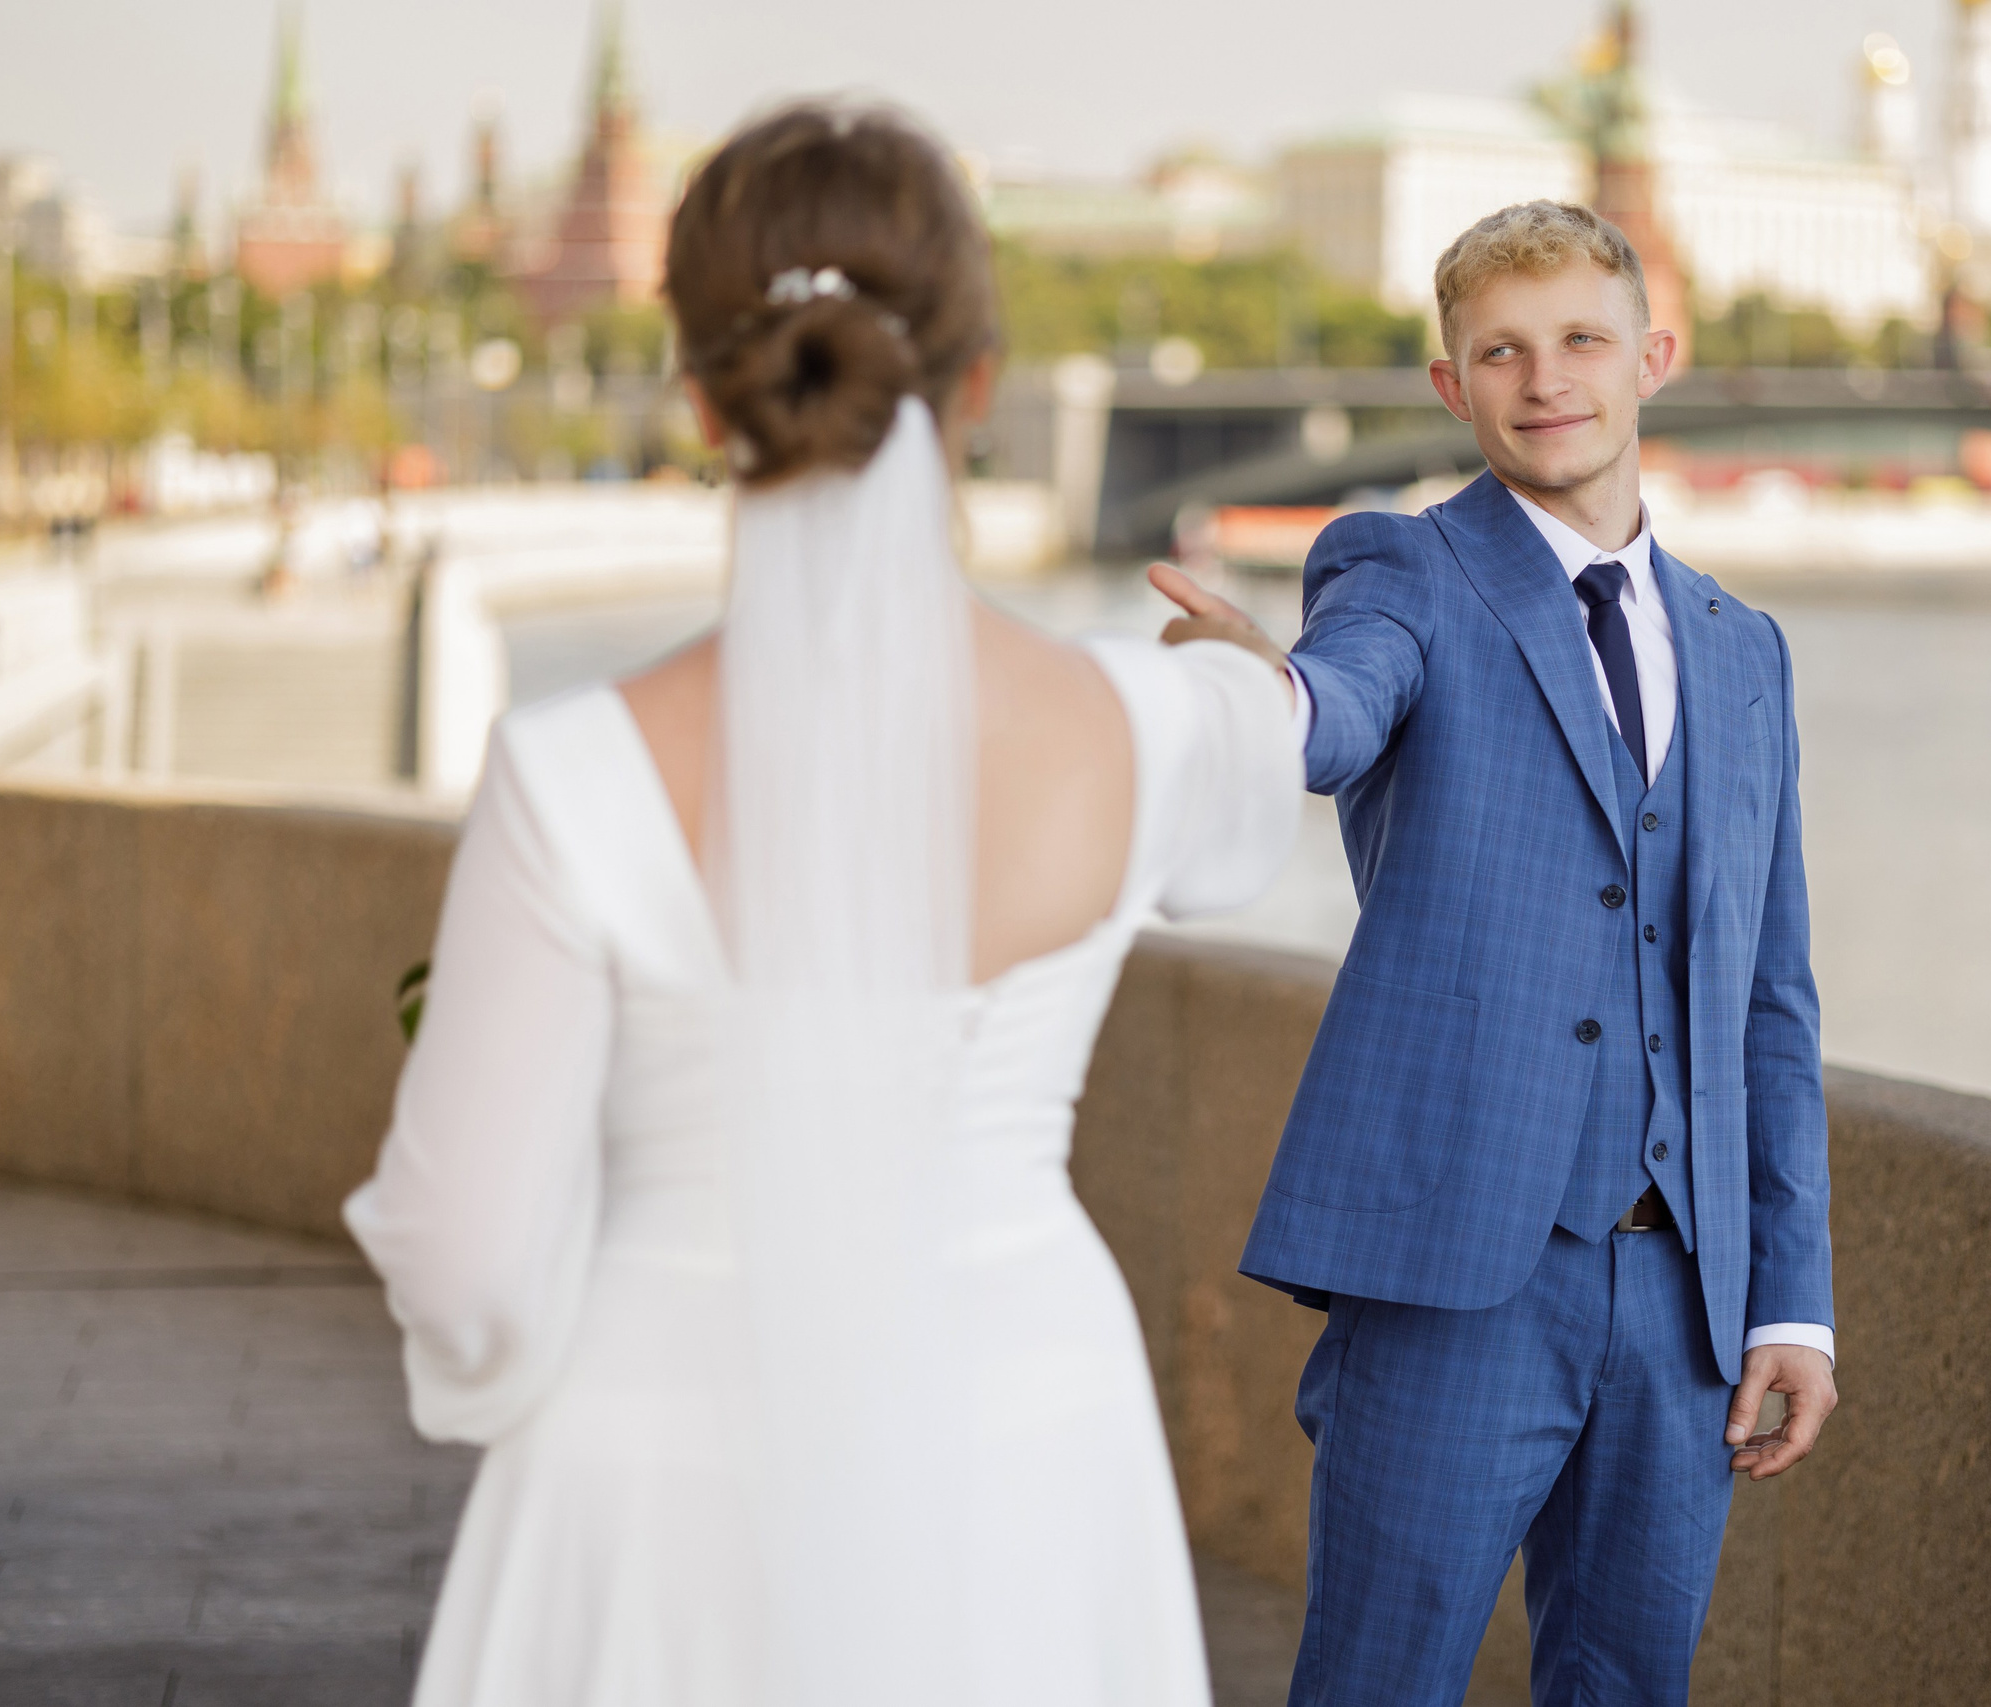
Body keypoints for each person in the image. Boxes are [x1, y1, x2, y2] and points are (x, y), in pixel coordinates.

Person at [345, 103, 1302, 1707]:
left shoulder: (570, 772)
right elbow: (1247, 803)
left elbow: (467, 1261)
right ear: (979, 384)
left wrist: (510, 1373)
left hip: (659, 1449)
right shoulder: (1159, 735)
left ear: (702, 388)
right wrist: (1231, 672)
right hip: (1025, 1424)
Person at [1154, 200, 1838, 1705]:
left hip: (1684, 1306)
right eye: (1502, 353)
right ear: (1451, 389)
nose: (1548, 379)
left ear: (1652, 356)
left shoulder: (1746, 653)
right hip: (1461, 1277)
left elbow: (1771, 1009)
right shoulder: (1401, 569)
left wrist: (1792, 1303)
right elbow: (1335, 703)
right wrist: (1254, 697)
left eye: (1582, 340)